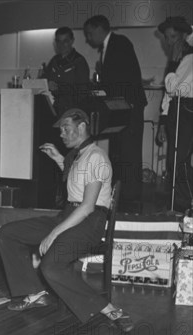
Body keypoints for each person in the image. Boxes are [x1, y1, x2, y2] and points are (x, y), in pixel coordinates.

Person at [0, 108, 133, 333]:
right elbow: (76, 185)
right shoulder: (80, 155)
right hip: (70, 215)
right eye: (61, 130)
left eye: (66, 129)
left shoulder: (97, 156)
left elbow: (88, 205)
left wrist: (54, 233)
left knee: (51, 266)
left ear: (82, 126)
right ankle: (34, 291)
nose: (62, 134)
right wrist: (59, 158)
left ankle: (110, 309)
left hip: (89, 221)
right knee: (7, 234)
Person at [84, 15, 147, 210]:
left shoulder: (119, 43)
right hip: (122, 108)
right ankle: (123, 197)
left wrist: (102, 86)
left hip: (129, 107)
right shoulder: (111, 46)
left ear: (99, 28)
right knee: (122, 152)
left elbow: (121, 80)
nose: (87, 38)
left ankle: (129, 199)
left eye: (89, 33)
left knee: (129, 152)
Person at [155, 16, 193, 213]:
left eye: (173, 37)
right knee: (174, 161)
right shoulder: (179, 57)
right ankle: (178, 204)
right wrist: (162, 121)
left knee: (179, 161)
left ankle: (185, 205)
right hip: (177, 111)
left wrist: (172, 64)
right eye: (167, 37)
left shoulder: (188, 57)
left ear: (184, 36)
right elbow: (169, 96)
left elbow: (172, 87)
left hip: (187, 111)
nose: (169, 42)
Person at [42, 27, 90, 115]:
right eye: (58, 41)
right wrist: (48, 83)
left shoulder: (79, 61)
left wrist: (59, 88)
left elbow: (82, 91)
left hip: (72, 111)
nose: (61, 45)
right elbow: (44, 79)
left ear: (72, 41)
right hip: (54, 109)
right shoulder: (54, 61)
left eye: (65, 41)